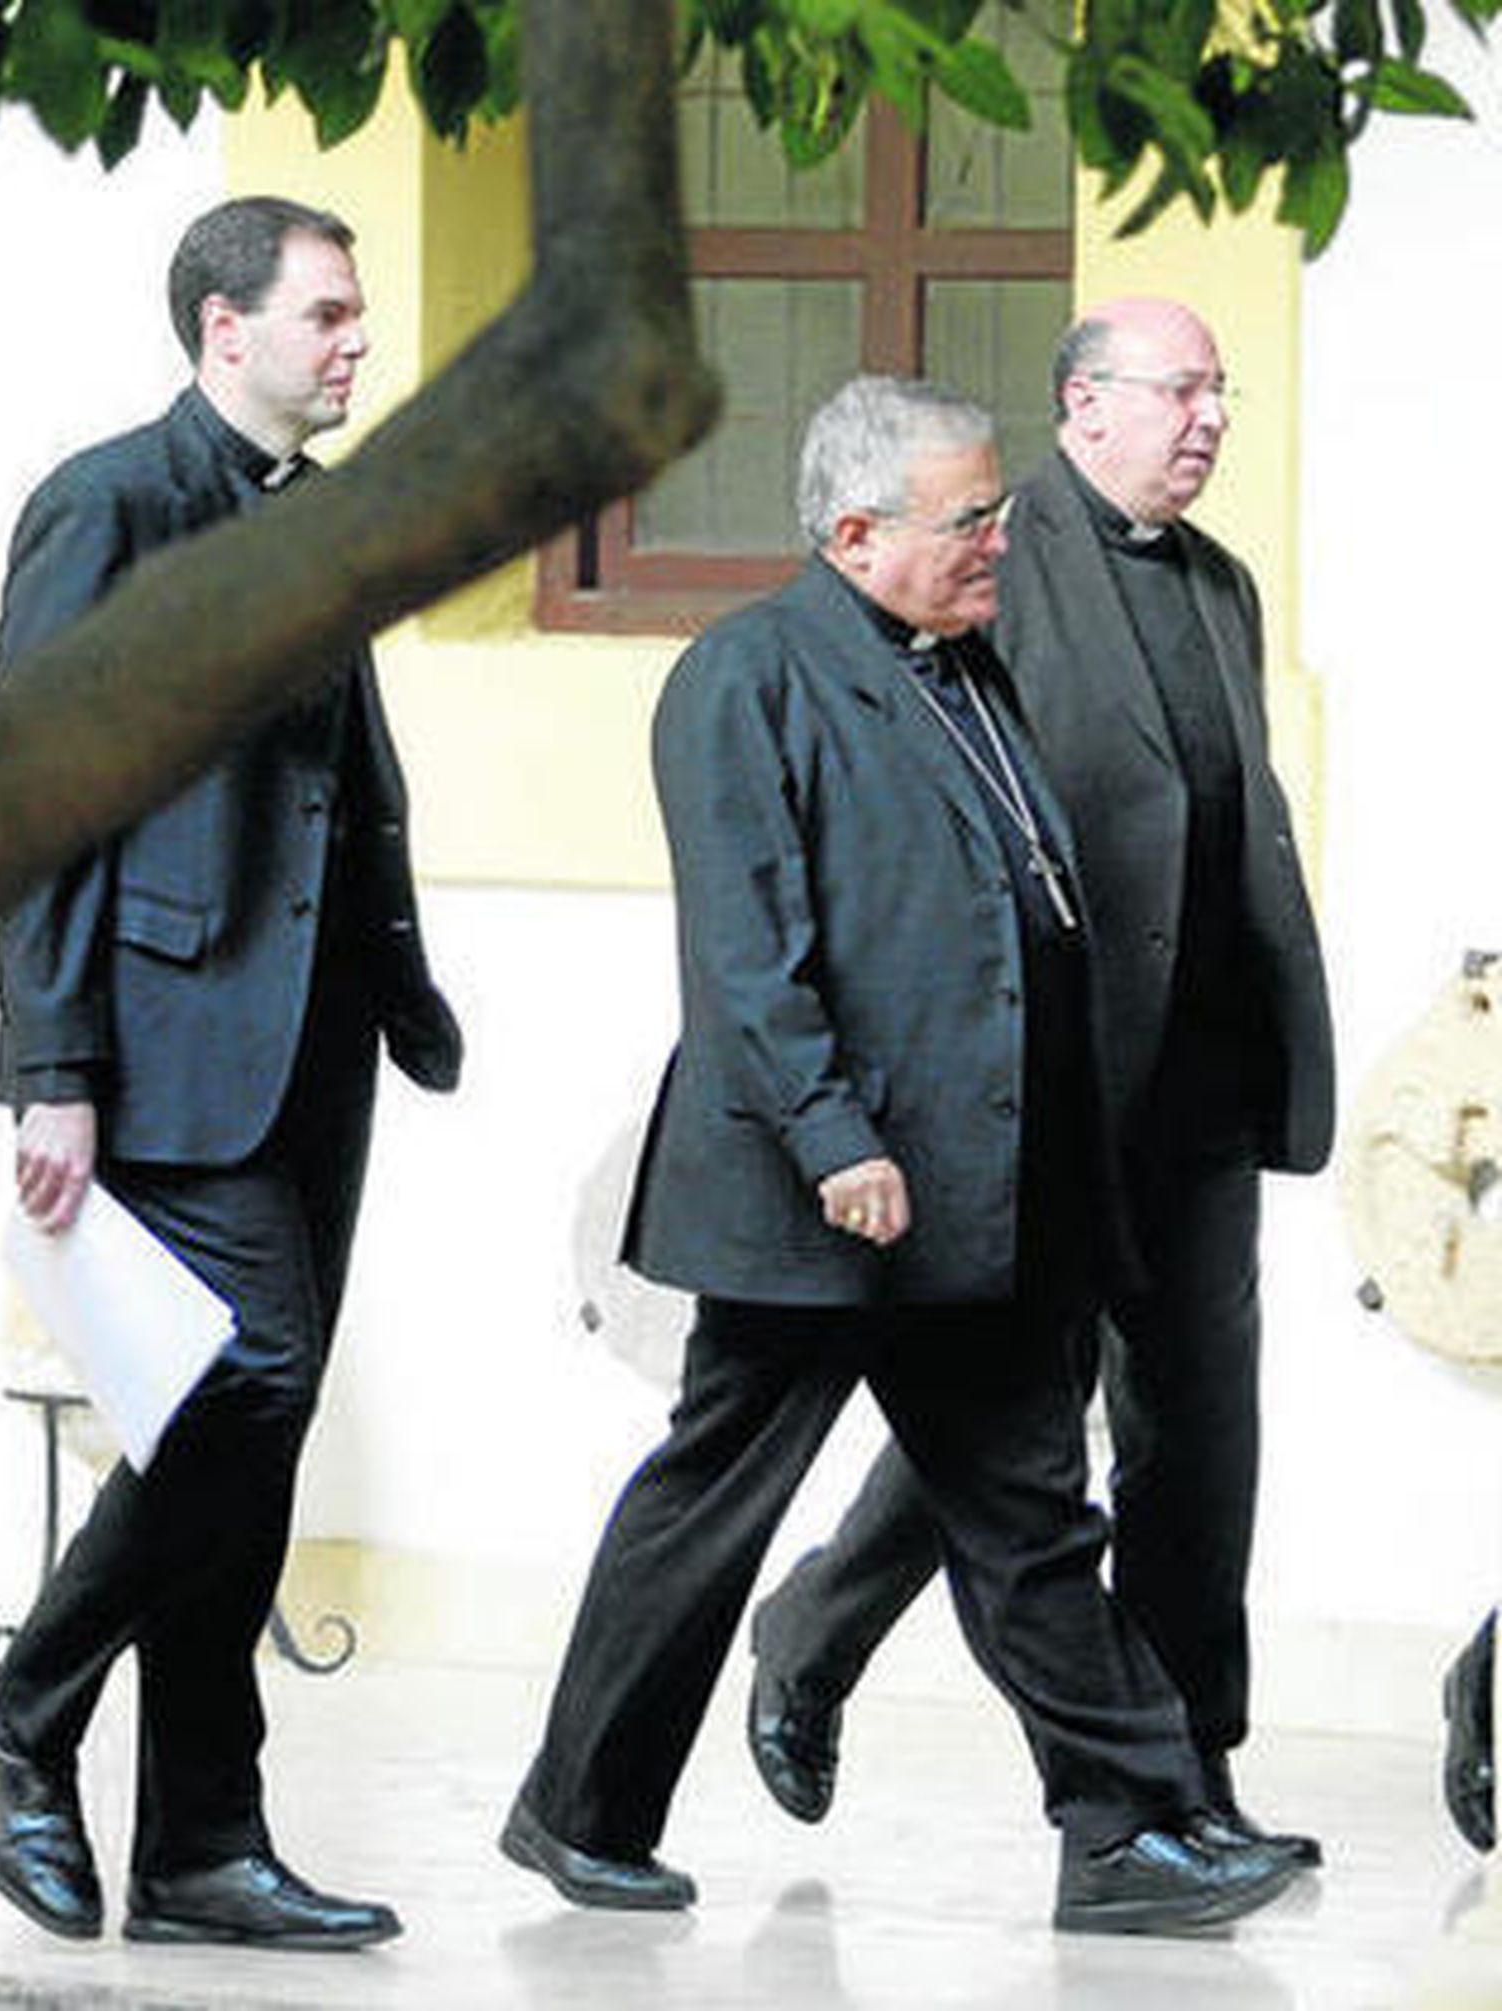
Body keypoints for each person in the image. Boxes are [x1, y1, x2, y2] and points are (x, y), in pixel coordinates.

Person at [499, 374, 1306, 1935]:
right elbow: (748, 958)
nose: (1001, 539)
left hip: (972, 1186)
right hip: (829, 1195)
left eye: (998, 509)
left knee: (1028, 1510)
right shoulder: (749, 677)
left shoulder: (959, 662)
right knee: (712, 1503)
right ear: (856, 532)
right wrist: (832, 1140)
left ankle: (1126, 1833)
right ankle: (578, 1809)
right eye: (970, 519)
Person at [747, 299, 1334, 1865]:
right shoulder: (999, 556)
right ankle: (814, 1635)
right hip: (1048, 1079)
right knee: (1009, 1437)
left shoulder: (1221, 584)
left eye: (1222, 390)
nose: (1209, 418)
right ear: (1085, 407)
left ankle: (1193, 1774)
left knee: (1201, 1439)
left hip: (1202, 1085)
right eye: (1180, 391)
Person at [0, 196, 463, 1951]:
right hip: (164, 1044)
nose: (355, 342)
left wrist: (400, 988)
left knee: (249, 1428)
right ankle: (24, 1725)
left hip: (313, 1043)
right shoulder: (111, 505)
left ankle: (199, 1846)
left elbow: (340, 780)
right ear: (220, 330)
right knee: (236, 1387)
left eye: (354, 313)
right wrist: (55, 1065)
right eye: (325, 314)